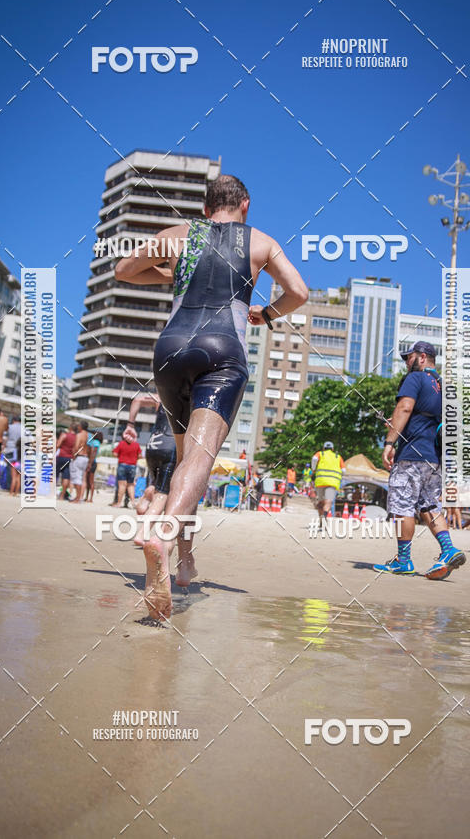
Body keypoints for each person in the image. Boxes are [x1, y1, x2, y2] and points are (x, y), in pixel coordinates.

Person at [116, 172, 308, 620]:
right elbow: (298, 292)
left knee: (185, 466)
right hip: (222, 351)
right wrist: (268, 313)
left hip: (170, 348)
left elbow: (124, 270)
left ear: (205, 208)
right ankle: (163, 535)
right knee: (199, 464)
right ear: (245, 205)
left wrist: (174, 274)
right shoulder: (261, 241)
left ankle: (182, 562)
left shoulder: (177, 235)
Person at [374, 341, 466, 579]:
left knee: (401, 506)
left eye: (410, 357)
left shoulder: (415, 378)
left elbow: (405, 408)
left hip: (412, 456)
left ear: (423, 357)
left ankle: (403, 561)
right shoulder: (443, 385)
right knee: (429, 506)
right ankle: (448, 550)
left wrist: (389, 443)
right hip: (434, 459)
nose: (407, 362)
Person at [311, 442, 344, 525]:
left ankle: (321, 519)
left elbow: (314, 459)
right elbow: (344, 470)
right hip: (333, 482)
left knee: (321, 503)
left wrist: (313, 469)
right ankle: (325, 516)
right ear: (332, 449)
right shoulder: (338, 457)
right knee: (328, 502)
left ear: (323, 448)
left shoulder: (320, 453)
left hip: (321, 481)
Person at [111, 432, 142, 509]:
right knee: (131, 485)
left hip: (122, 465)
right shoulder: (136, 445)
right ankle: (133, 503)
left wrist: (121, 456)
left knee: (122, 485)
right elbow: (140, 456)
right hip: (132, 466)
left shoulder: (121, 443)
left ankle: (118, 503)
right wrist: (134, 458)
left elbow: (114, 453)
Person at [70, 421, 90, 503]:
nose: (78, 427)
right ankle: (79, 497)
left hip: (79, 457)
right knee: (82, 478)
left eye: (78, 426)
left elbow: (76, 446)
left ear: (81, 427)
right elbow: (90, 448)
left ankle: (77, 498)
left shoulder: (79, 435)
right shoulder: (89, 435)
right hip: (86, 458)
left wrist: (73, 456)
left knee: (77, 477)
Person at [56, 424, 77, 499]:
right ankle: (62, 496)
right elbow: (76, 449)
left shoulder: (64, 435)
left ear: (70, 428)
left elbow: (57, 445)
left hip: (61, 456)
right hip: (69, 458)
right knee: (66, 477)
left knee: (55, 475)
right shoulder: (76, 437)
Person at [85, 431, 103, 503]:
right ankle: (87, 497)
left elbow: (94, 453)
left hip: (92, 462)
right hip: (92, 462)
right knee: (88, 481)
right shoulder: (96, 442)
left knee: (90, 481)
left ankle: (90, 498)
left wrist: (90, 463)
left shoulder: (95, 442)